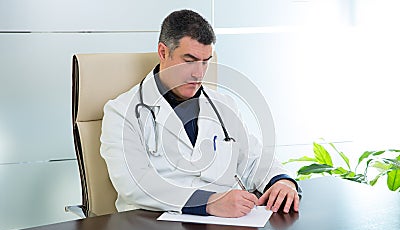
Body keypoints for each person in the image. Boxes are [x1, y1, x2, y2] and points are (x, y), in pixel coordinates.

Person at [100, 9, 300, 218]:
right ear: (163, 52)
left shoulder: (224, 106)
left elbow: (253, 159)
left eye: (205, 61)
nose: (199, 73)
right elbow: (133, 185)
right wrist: (209, 202)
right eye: (189, 60)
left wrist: (281, 181)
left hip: (222, 227)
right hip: (153, 228)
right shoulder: (122, 112)